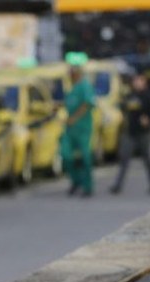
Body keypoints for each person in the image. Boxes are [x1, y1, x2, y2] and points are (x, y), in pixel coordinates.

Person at [110, 73, 150, 195]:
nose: (137, 83)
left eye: (139, 80)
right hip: (130, 132)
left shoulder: (148, 96)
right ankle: (118, 185)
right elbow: (122, 106)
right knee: (124, 159)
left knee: (147, 159)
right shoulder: (130, 95)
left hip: (144, 133)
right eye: (135, 80)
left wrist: (148, 118)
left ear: (144, 82)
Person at [60, 63, 96, 197]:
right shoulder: (73, 88)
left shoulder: (85, 86)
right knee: (66, 155)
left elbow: (88, 104)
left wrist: (74, 118)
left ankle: (87, 186)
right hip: (70, 129)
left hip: (82, 128)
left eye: (72, 73)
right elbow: (70, 103)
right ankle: (76, 181)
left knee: (85, 158)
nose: (70, 76)